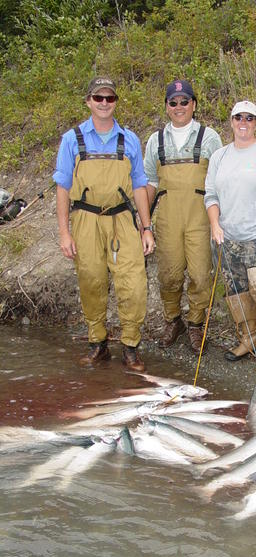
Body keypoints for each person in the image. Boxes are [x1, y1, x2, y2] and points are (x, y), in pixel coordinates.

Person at [53, 76, 155, 372]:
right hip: (85, 220)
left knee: (134, 283)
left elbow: (139, 185)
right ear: (88, 102)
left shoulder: (130, 139)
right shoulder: (72, 139)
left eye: (110, 98)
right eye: (98, 98)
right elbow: (62, 186)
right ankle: (97, 344)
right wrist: (64, 232)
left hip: (123, 219)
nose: (104, 104)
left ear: (115, 102)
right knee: (91, 281)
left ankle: (131, 346)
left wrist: (145, 228)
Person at [205, 100, 256, 374]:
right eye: (238, 117)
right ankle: (249, 340)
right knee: (237, 293)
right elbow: (211, 195)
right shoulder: (219, 156)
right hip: (227, 239)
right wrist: (215, 225)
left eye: (249, 118)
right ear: (231, 121)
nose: (244, 122)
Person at [144, 80, 222, 354]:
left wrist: (220, 221)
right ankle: (172, 320)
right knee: (169, 275)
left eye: (184, 101)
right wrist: (143, 224)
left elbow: (220, 180)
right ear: (167, 107)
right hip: (167, 219)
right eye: (173, 102)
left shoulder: (209, 137)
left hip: (200, 218)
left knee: (201, 275)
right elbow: (150, 183)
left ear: (194, 104)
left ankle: (196, 324)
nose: (179, 107)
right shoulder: (155, 141)